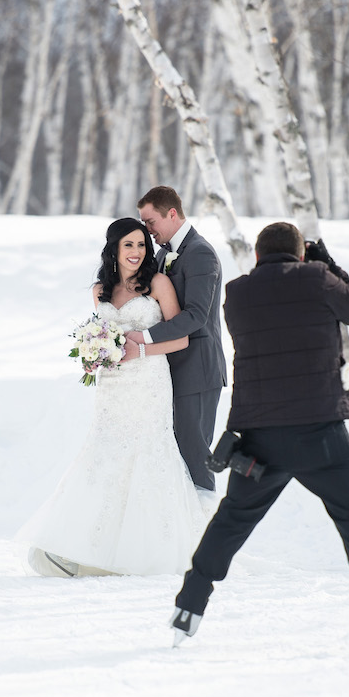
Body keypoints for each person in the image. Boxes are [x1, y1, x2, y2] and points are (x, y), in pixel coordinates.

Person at [168, 222, 349, 647]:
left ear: (259, 256)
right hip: (320, 432)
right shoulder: (318, 279)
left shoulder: (238, 294)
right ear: (302, 255)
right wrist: (326, 262)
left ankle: (188, 607)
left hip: (261, 439)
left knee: (232, 521)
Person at [17, 218, 206, 577]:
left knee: (148, 451)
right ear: (114, 250)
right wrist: (93, 356)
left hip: (148, 380)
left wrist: (142, 352)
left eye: (141, 245)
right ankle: (87, 546)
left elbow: (180, 338)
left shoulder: (158, 283)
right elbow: (99, 334)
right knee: (104, 452)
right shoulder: (100, 290)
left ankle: (150, 550)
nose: (136, 252)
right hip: (112, 385)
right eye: (128, 245)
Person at [125, 186, 226, 494]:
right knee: (172, 455)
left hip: (197, 370)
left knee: (195, 456)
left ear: (172, 214)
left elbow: (194, 316)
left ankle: (205, 530)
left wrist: (142, 338)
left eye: (151, 221)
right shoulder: (163, 253)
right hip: (168, 371)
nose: (147, 229)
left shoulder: (201, 253)